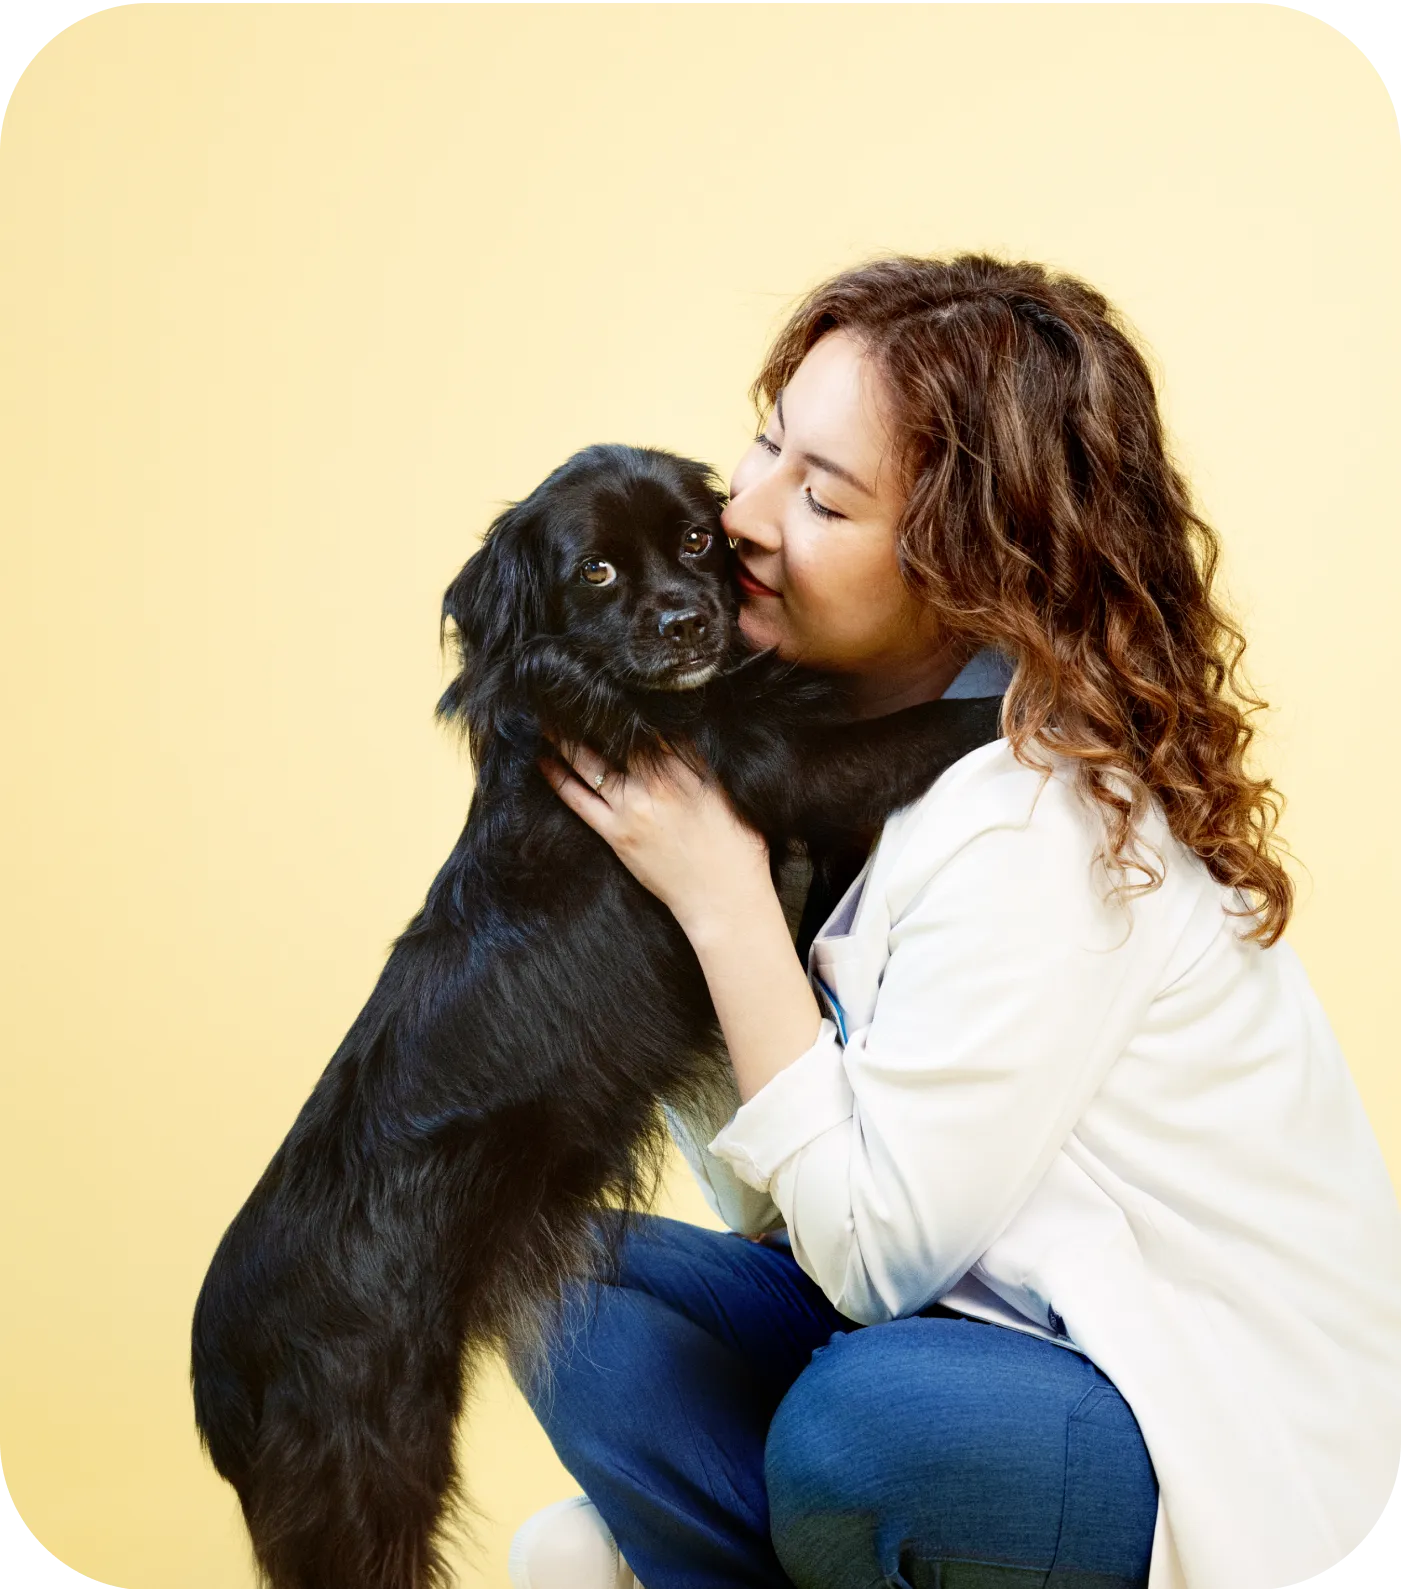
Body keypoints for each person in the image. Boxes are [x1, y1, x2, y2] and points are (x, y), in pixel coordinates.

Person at [507, 255, 1401, 1589]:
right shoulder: (847, 777)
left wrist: (723, 899)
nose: (741, 515)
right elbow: (787, 1212)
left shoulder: (1033, 818)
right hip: (964, 1343)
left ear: (964, 567)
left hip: (1161, 1417)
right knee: (532, 1259)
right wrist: (674, 917)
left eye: (821, 496)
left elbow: (869, 1259)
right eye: (765, 443)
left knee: (871, 1436)